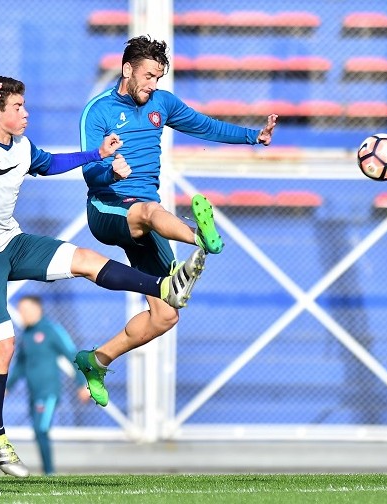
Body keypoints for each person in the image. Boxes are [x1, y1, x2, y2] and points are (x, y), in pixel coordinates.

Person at [0, 75, 205, 478]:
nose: (25, 113)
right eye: (17, 107)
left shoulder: (21, 147)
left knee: (85, 259)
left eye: (24, 105)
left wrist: (96, 153)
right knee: (1, 347)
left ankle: (163, 287)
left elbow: (51, 163)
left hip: (10, 243)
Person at [75, 35, 278, 408]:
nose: (153, 85)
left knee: (166, 315)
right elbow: (90, 171)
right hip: (107, 208)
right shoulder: (98, 110)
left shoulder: (161, 103)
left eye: (158, 78)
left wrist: (254, 136)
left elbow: (204, 126)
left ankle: (96, 360)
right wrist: (111, 174)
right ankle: (200, 238)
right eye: (149, 76)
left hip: (145, 214)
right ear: (127, 70)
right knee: (150, 212)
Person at [6, 295, 89, 475]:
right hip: (33, 393)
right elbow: (20, 364)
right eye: (20, 311)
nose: (22, 314)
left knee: (41, 429)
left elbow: (72, 355)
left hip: (48, 391)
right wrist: (8, 386)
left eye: (25, 310)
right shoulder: (26, 334)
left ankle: (49, 472)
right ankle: (47, 471)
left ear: (37, 309)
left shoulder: (51, 330)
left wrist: (83, 384)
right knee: (38, 432)